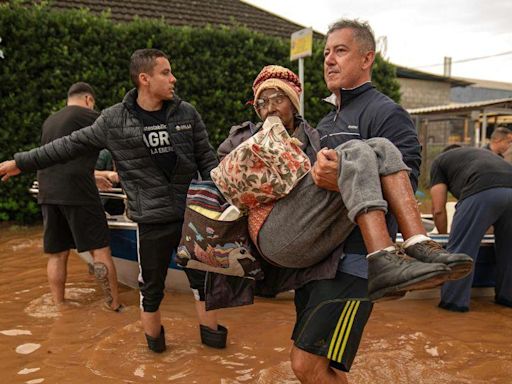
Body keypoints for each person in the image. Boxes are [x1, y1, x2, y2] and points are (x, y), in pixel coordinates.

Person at [214, 64, 471, 384]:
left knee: (381, 147)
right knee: (357, 150)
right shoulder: (248, 134)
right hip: (278, 234)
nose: (269, 108)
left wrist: (333, 176)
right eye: (261, 102)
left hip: (323, 250)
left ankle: (414, 243)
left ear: (294, 101)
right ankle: (385, 257)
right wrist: (264, 155)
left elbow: (354, 185)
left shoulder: (320, 135)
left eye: (276, 98)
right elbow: (225, 180)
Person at [0, 49, 224, 353]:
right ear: (145, 79)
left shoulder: (187, 113)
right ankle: (156, 358)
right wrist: (20, 163)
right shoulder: (113, 120)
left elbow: (209, 162)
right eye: (165, 72)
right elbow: (66, 146)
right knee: (152, 290)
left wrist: (228, 199)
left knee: (204, 285)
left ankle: (214, 355)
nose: (173, 79)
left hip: (190, 217)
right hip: (150, 222)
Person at [291, 18, 473, 383]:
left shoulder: (385, 112)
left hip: (357, 262)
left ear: (366, 58)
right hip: (320, 259)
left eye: (340, 51)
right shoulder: (326, 121)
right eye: (326, 52)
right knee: (319, 365)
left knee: (306, 364)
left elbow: (402, 182)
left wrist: (341, 180)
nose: (329, 60)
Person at [28, 82, 122, 312]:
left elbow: (59, 159)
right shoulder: (89, 116)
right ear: (89, 99)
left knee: (57, 253)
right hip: (77, 192)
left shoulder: (50, 120)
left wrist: (91, 174)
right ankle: (114, 306)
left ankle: (59, 305)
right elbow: (120, 140)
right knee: (99, 250)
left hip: (47, 191)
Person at [430, 144, 512, 312]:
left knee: (460, 250)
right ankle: (507, 298)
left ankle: (454, 303)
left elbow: (438, 209)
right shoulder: (483, 155)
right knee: (509, 250)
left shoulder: (439, 162)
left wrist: (444, 239)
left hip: (481, 188)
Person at [95, 149, 125, 215]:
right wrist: (108, 174)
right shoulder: (104, 154)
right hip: (104, 197)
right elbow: (87, 173)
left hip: (119, 194)